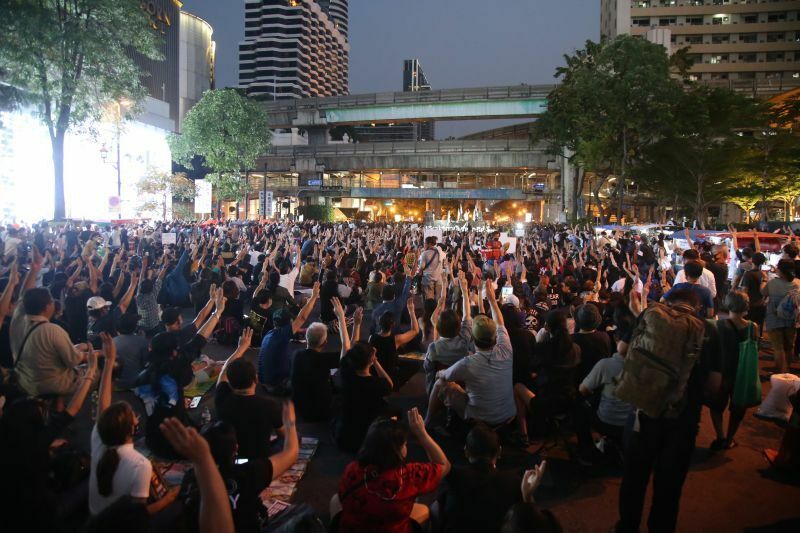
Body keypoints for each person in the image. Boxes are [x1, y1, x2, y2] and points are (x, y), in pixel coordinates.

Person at [616, 288, 722, 533]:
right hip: (682, 421)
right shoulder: (709, 331)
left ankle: (627, 527)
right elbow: (714, 385)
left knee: (634, 480)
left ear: (668, 302)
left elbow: (622, 350)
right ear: (698, 306)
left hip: (642, 414)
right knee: (669, 487)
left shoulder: (650, 315)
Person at [90, 332, 179, 515]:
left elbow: (103, 406)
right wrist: (170, 497)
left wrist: (109, 362)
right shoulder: (140, 465)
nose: (138, 417)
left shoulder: (98, 438)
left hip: (95, 517)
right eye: (134, 416)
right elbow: (140, 515)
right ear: (131, 429)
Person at [181, 401, 299, 533]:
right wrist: (290, 423)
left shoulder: (190, 479)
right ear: (236, 448)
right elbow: (291, 453)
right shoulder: (248, 473)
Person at [335, 408, 451, 533]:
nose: (406, 447)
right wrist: (421, 433)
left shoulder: (352, 469)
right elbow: (444, 465)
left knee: (335, 500)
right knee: (425, 509)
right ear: (397, 450)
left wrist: (385, 429)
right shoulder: (409, 476)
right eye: (405, 444)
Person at [426, 280, 515, 429]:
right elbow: (500, 323)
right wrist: (492, 301)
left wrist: (440, 372)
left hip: (480, 419)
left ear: (473, 338)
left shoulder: (469, 363)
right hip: (508, 417)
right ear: (495, 336)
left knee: (440, 383)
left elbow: (444, 375)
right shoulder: (506, 348)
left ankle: (427, 422)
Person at [434, 424, 524, 533]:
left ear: (466, 451)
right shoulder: (513, 482)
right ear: (499, 451)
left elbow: (437, 513)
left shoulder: (453, 476)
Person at [214, 328, 283, 460]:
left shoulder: (221, 397)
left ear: (231, 382)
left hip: (231, 455)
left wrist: (240, 348)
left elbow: (224, 371)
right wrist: (290, 422)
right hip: (260, 459)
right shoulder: (269, 405)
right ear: (256, 379)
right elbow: (283, 434)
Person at [335, 305, 395, 452]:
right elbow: (390, 384)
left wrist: (352, 323)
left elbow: (348, 348)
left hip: (344, 437)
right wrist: (377, 362)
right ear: (370, 360)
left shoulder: (346, 373)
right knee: (395, 413)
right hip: (368, 441)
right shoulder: (377, 384)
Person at [291, 306, 361, 422]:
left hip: (298, 409)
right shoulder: (323, 360)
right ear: (325, 343)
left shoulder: (296, 355)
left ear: (306, 339)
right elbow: (350, 351)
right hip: (321, 412)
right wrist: (352, 323)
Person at [709, 291, 757, 451]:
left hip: (722, 372)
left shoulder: (719, 325)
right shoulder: (753, 327)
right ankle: (729, 439)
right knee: (738, 408)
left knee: (716, 406)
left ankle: (720, 436)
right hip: (741, 374)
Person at [257, 282, 319, 394]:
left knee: (293, 357)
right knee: (308, 368)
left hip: (263, 382)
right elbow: (302, 318)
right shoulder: (282, 335)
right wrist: (314, 296)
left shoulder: (269, 333)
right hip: (276, 386)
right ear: (288, 323)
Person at [423, 273, 474, 395]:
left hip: (437, 389)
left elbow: (427, 367)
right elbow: (467, 316)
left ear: (439, 327)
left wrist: (440, 303)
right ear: (458, 326)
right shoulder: (464, 341)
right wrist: (464, 291)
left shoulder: (434, 347)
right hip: (461, 388)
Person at [369, 298, 420, 390]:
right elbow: (415, 331)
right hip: (390, 378)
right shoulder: (396, 339)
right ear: (393, 325)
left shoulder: (371, 338)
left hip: (376, 374)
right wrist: (411, 311)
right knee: (415, 365)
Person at [762, 259, 800, 374]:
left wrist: (763, 280)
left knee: (778, 347)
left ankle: (779, 372)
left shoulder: (773, 283)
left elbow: (763, 293)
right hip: (790, 318)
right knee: (789, 346)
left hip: (774, 318)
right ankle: (787, 371)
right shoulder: (796, 284)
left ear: (781, 271)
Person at [113, 312, 149, 390]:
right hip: (136, 383)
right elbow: (146, 363)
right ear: (135, 327)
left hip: (116, 384)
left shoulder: (112, 342)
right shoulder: (142, 341)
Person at [418, 236, 444, 300]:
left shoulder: (425, 253)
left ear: (429, 244)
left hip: (428, 279)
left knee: (429, 300)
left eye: (425, 243)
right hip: (439, 279)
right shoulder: (440, 252)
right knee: (438, 299)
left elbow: (422, 267)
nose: (424, 245)